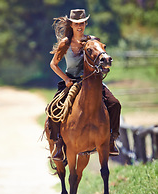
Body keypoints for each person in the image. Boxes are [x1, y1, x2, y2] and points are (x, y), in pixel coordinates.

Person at [48, 9, 121, 160]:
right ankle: (58, 144)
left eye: (82, 23)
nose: (79, 26)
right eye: (76, 23)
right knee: (54, 109)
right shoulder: (65, 43)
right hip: (72, 81)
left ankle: (112, 139)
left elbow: (100, 57)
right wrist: (66, 79)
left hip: (92, 82)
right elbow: (53, 64)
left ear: (86, 23)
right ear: (72, 25)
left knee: (115, 104)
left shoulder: (92, 41)